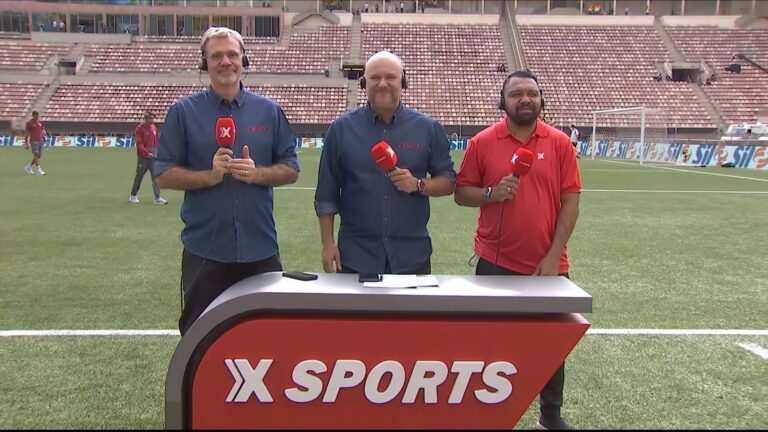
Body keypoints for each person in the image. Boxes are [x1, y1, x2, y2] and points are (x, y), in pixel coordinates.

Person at [454, 70, 581, 431]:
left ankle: (550, 417)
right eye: (516, 94)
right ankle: (487, 415)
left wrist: (555, 253)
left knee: (552, 348)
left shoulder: (559, 143)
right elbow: (462, 193)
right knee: (491, 346)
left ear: (541, 100)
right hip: (495, 263)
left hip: (548, 265)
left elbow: (571, 200)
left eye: (532, 93)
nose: (525, 99)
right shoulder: (482, 142)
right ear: (502, 101)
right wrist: (492, 194)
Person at [155, 27, 300, 335]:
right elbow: (163, 174)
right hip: (205, 249)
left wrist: (258, 173)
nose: (225, 61)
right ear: (204, 63)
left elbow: (291, 168)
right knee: (199, 339)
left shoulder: (269, 111)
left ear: (243, 60)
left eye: (232, 54)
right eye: (216, 55)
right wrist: (210, 176)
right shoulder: (184, 113)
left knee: (268, 339)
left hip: (260, 248)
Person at [314, 51, 455, 275]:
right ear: (364, 82)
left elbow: (449, 182)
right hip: (356, 256)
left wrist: (418, 184)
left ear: (403, 81)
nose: (382, 84)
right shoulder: (341, 129)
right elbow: (326, 195)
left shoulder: (428, 128)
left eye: (390, 77)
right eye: (374, 78)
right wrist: (328, 244)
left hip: (412, 257)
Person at [129, 111, 168, 205]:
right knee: (139, 176)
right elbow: (139, 144)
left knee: (156, 177)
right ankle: (133, 195)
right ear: (146, 119)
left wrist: (158, 152)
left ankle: (157, 197)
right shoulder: (139, 129)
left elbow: (156, 141)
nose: (152, 120)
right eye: (151, 118)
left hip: (153, 157)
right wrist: (146, 153)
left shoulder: (153, 127)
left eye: (153, 118)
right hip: (143, 157)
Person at [24, 111, 47, 176]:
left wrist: (44, 138)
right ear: (33, 115)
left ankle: (28, 167)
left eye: (38, 116)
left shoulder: (39, 122)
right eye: (36, 116)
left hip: (40, 140)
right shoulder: (29, 123)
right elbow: (27, 133)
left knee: (38, 156)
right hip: (33, 140)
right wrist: (26, 142)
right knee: (36, 154)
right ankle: (38, 170)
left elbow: (42, 130)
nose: (37, 117)